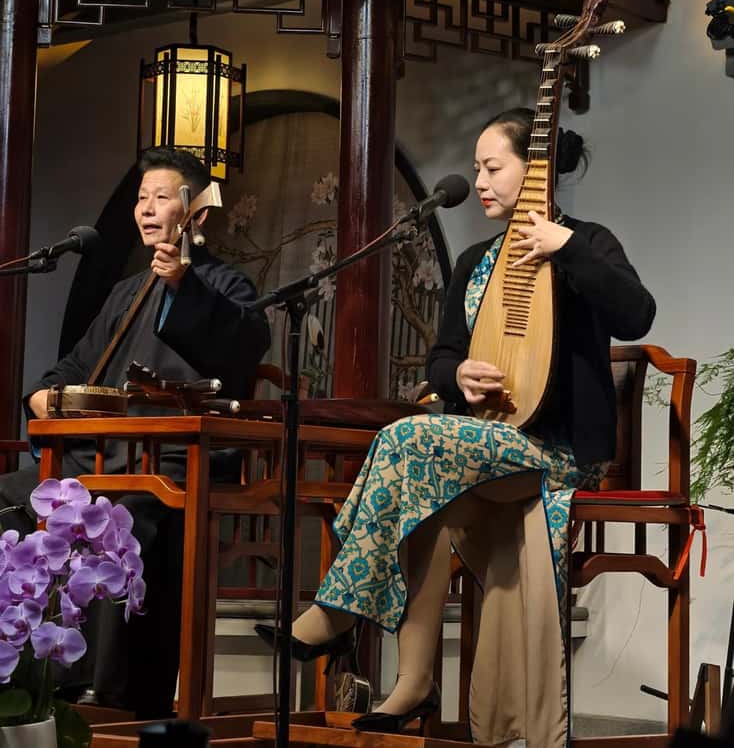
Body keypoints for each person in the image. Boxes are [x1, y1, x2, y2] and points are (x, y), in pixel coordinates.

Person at [256, 108, 656, 748]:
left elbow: (637, 313)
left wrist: (568, 249)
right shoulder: (474, 261)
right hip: (488, 447)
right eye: (477, 168)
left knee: (407, 439)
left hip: (556, 452)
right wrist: (457, 375)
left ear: (536, 172)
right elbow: (442, 356)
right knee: (421, 488)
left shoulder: (588, 241)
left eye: (493, 167)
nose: (482, 180)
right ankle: (414, 682)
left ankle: (336, 612)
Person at [0, 148, 270, 718]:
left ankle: (110, 695)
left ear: (195, 214)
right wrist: (43, 393)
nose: (146, 209)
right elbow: (75, 367)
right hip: (96, 458)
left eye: (161, 197)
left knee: (119, 514)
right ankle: (20, 675)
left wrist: (184, 287)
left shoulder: (228, 286)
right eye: (141, 199)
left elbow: (242, 351)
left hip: (172, 462)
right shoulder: (125, 292)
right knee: (7, 496)